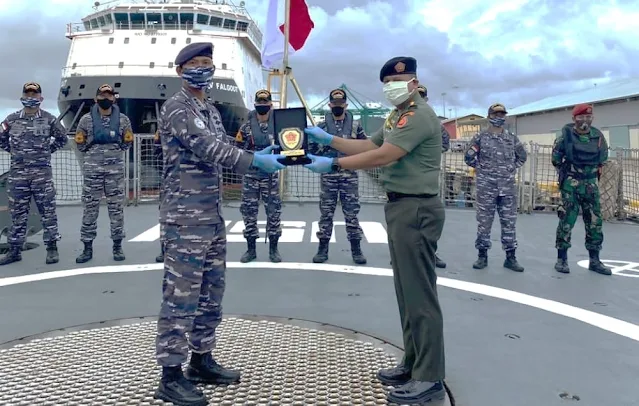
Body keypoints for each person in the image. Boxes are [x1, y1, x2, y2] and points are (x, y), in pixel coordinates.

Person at [303, 57, 447, 405]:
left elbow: (384, 155)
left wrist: (333, 164)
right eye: (387, 83)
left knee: (420, 296)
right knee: (406, 293)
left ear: (414, 82)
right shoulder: (397, 115)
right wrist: (329, 139)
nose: (392, 87)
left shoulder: (419, 116)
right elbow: (369, 144)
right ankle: (413, 362)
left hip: (416, 208)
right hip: (400, 206)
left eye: (399, 80)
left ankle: (429, 378)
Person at [153, 42, 285, 406]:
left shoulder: (208, 108)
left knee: (211, 294)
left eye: (207, 63)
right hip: (184, 217)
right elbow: (206, 147)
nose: (201, 69)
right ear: (180, 71)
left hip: (210, 216)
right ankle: (169, 376)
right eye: (194, 64)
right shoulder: (177, 107)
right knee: (181, 298)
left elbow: (221, 141)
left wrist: (262, 152)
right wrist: (253, 161)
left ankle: (201, 360)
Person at [0, 82, 67, 265]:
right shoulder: (11, 119)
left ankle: (52, 248)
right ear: (22, 97)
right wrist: (14, 152)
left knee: (47, 211)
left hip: (41, 174)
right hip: (18, 174)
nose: (31, 97)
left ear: (40, 98)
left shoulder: (49, 119)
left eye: (34, 94)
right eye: (28, 94)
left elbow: (62, 138)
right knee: (17, 213)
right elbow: (1, 138)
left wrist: (46, 152)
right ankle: (14, 250)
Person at [74, 84, 133, 263]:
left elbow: (127, 142)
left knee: (116, 210)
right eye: (102, 95)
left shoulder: (123, 120)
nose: (105, 98)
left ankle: (117, 246)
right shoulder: (85, 120)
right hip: (93, 171)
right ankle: (87, 248)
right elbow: (80, 143)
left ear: (114, 98)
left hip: (115, 172)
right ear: (96, 98)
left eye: (108, 95)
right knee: (90, 209)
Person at [463, 103, 527, 272]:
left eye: (502, 115)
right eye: (496, 115)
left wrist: (510, 168)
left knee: (509, 223)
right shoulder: (480, 137)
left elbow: (522, 156)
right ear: (489, 116)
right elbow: (468, 157)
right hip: (486, 188)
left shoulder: (511, 138)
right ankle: (482, 256)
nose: (499, 118)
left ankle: (511, 257)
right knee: (484, 223)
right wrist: (482, 168)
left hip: (507, 188)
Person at [308, 88, 367, 265]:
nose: (337, 107)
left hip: (350, 176)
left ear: (346, 105)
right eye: (335, 104)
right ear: (330, 105)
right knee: (326, 213)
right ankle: (322, 249)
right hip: (329, 177)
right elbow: (311, 148)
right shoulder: (322, 127)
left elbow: (365, 147)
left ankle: (356, 249)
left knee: (352, 214)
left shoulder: (356, 126)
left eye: (340, 104)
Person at [551, 103, 611, 275]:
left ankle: (595, 260)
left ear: (592, 118)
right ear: (574, 119)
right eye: (581, 117)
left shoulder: (598, 137)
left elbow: (603, 157)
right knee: (567, 220)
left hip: (591, 185)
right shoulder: (564, 138)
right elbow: (556, 159)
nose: (585, 120)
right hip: (571, 184)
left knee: (594, 221)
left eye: (588, 117)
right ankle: (561, 259)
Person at [234, 89, 282, 263]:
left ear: (270, 105)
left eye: (266, 104)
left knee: (274, 212)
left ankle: (274, 249)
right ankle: (251, 249)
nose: (263, 107)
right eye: (260, 104)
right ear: (255, 105)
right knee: (249, 213)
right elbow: (237, 150)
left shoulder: (278, 126)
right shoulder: (246, 128)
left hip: (270, 176)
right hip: (251, 176)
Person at [417, 84, 448, 268]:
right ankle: (401, 254)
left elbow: (444, 143)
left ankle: (431, 254)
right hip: (405, 179)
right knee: (403, 221)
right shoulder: (396, 120)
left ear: (426, 99)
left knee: (430, 221)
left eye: (422, 96)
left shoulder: (433, 122)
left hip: (427, 178)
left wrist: (427, 153)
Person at [154, 130, 165, 263]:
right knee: (166, 214)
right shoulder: (164, 127)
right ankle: (165, 249)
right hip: (171, 178)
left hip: (196, 179)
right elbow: (157, 151)